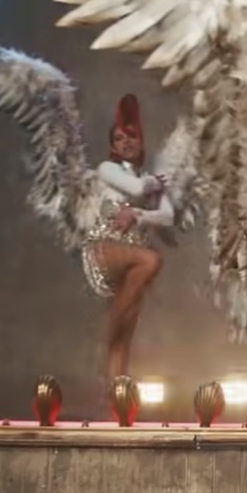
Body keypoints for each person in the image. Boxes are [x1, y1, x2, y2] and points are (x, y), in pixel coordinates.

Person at [83, 94, 173, 383]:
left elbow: (167, 217)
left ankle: (116, 392)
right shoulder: (107, 169)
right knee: (151, 260)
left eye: (132, 137)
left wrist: (138, 215)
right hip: (105, 250)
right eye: (119, 139)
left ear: (141, 141)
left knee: (126, 334)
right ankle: (104, 336)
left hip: (132, 257)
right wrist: (154, 184)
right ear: (113, 147)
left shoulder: (149, 179)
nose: (126, 143)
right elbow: (136, 189)